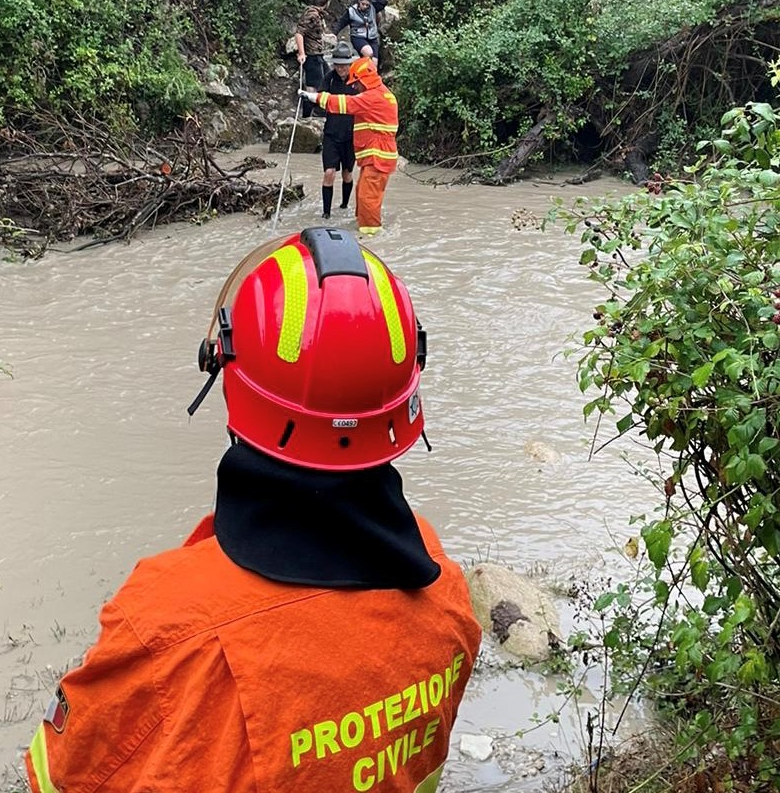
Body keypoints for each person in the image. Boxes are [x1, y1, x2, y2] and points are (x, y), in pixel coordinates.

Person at [24, 227, 483, 793]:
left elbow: (59, 775)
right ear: (406, 392)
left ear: (225, 374)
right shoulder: (446, 591)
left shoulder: (163, 620)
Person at [301, 57, 398, 235]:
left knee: (368, 197)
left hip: (377, 157)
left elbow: (344, 103)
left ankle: (370, 235)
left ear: (364, 80)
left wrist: (313, 96)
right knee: (363, 193)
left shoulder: (372, 97)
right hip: (377, 157)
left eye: (356, 83)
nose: (354, 87)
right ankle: (362, 227)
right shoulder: (382, 94)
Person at [319, 42, 359, 219]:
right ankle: (326, 213)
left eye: (344, 65)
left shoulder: (357, 81)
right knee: (329, 172)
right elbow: (320, 98)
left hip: (351, 135)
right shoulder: (329, 78)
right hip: (331, 134)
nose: (340, 68)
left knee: (347, 173)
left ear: (350, 64)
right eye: (337, 65)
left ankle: (344, 205)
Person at [294, 0, 331, 119]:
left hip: (318, 54)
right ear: (327, 2)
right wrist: (301, 53)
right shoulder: (312, 14)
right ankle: (307, 116)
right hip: (311, 55)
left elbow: (313, 33)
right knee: (312, 88)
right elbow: (299, 33)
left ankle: (320, 111)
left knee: (327, 78)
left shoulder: (317, 14)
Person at [335, 0, 388, 68]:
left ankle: (362, 71)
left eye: (367, 5)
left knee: (374, 65)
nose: (365, 6)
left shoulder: (373, 7)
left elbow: (384, 1)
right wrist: (334, 33)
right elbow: (341, 23)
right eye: (363, 4)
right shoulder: (351, 11)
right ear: (359, 1)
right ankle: (358, 68)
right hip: (358, 37)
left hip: (372, 37)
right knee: (368, 53)